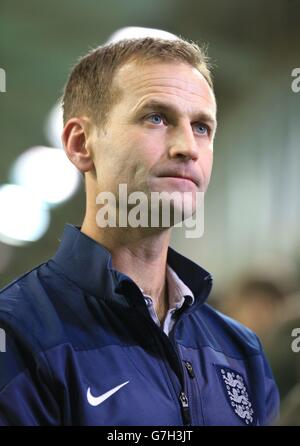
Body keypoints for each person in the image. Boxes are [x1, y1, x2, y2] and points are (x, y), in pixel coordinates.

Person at [0, 33, 279, 426]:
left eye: (202, 127)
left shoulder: (241, 351)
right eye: (157, 118)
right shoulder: (16, 334)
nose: (188, 147)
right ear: (81, 144)